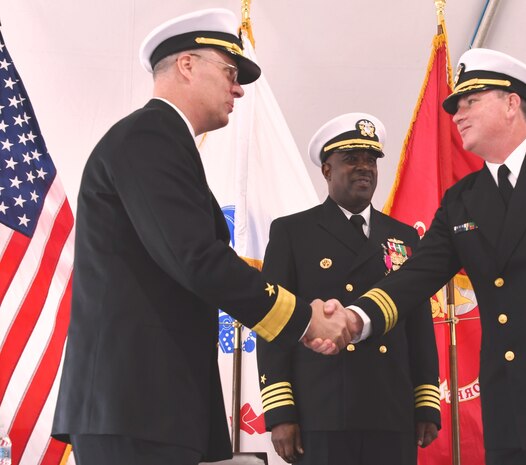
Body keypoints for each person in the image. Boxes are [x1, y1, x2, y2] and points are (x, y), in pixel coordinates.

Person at [51, 9, 357, 465]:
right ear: (187, 65)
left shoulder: (163, 143)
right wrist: (303, 319)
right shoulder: (151, 136)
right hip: (136, 408)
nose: (238, 88)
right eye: (231, 72)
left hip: (150, 407)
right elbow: (196, 258)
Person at [326, 49, 526, 465]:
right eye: (456, 105)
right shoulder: (462, 199)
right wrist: (355, 317)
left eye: (470, 101)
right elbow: (415, 276)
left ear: (512, 103)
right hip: (511, 410)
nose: (457, 114)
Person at [256, 113, 441, 465]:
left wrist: (425, 401)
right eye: (351, 159)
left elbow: (418, 323)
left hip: (391, 408)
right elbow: (273, 323)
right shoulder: (292, 233)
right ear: (327, 170)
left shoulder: (403, 236)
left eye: (371, 160)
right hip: (322, 410)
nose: (364, 168)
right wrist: (281, 411)